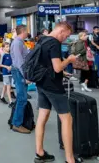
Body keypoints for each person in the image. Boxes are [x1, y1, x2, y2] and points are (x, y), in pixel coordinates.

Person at [34, 22, 80, 163]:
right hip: (53, 86)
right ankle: (70, 159)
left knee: (42, 116)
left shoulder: (42, 39)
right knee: (67, 119)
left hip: (41, 83)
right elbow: (57, 67)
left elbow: (45, 62)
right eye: (65, 36)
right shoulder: (54, 43)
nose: (64, 39)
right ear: (61, 30)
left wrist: (61, 70)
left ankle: (40, 152)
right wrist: (69, 60)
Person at [10, 25, 32, 134]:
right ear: (23, 31)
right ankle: (17, 124)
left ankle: (17, 121)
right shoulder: (17, 43)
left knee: (21, 98)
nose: (28, 33)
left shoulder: (20, 42)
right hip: (19, 72)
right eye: (27, 31)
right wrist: (26, 76)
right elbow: (19, 62)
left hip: (20, 72)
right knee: (22, 98)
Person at [0, 42, 14, 107]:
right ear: (3, 48)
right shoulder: (3, 55)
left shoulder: (11, 54)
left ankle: (2, 97)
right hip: (6, 73)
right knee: (8, 86)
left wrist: (11, 66)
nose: (8, 48)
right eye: (6, 47)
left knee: (5, 85)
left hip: (10, 72)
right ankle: (10, 102)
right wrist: (7, 67)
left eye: (9, 46)